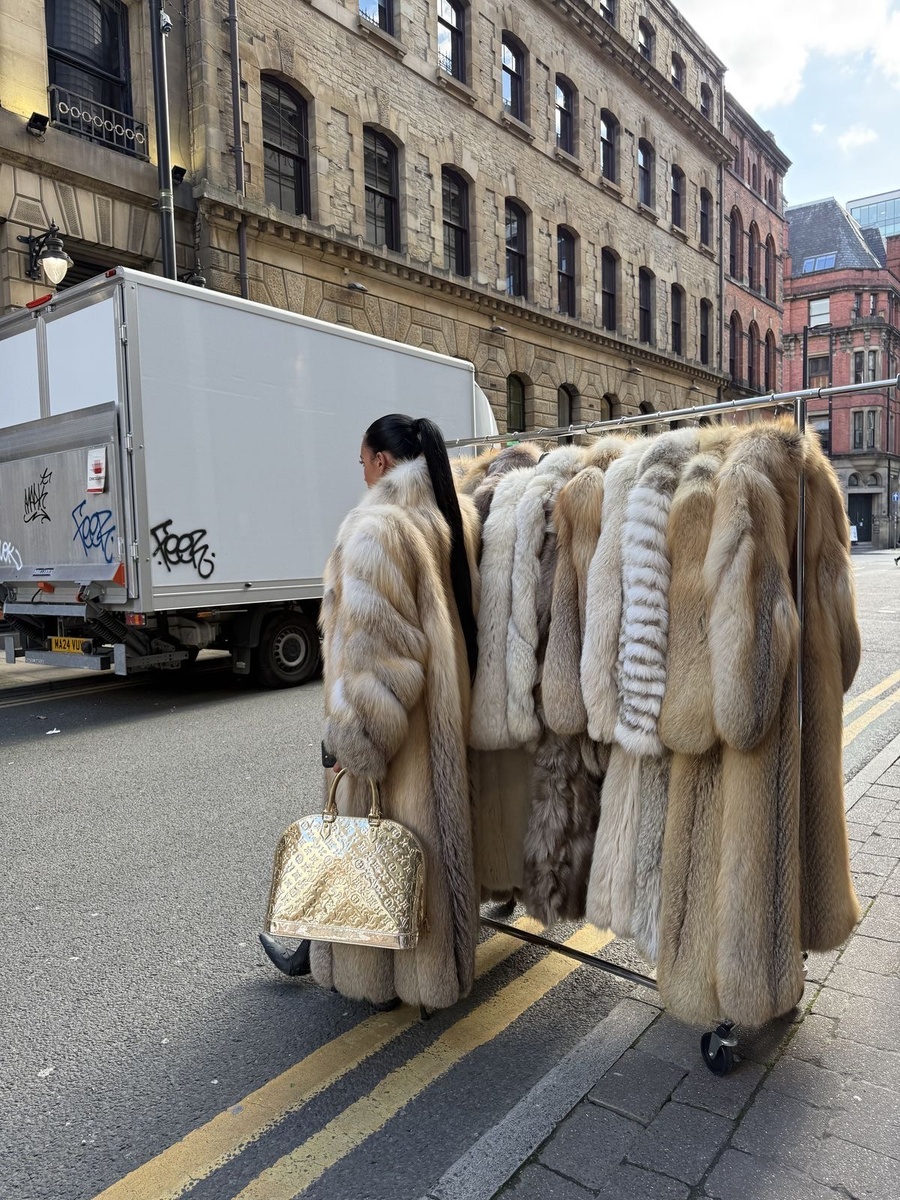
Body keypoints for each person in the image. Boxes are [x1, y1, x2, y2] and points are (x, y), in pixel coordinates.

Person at [260, 414, 481, 1012]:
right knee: (431, 852)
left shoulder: (377, 530)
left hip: (398, 741)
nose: (361, 474)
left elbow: (380, 664)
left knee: (376, 847)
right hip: (440, 724)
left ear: (382, 461)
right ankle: (430, 975)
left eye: (362, 462)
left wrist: (351, 744)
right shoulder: (451, 516)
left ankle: (378, 980)